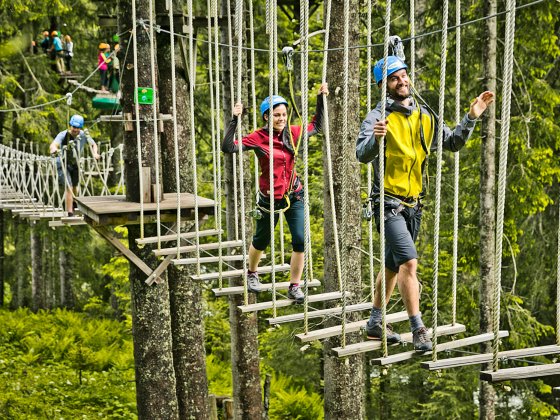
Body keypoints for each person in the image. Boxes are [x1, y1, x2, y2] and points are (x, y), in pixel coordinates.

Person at [356, 55, 494, 352]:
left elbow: (452, 142)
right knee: (409, 261)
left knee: (393, 266)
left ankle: (375, 322)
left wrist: (471, 117)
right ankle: (418, 328)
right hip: (387, 204)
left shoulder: (424, 116)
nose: (402, 81)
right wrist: (375, 140)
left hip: (413, 206)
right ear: (384, 86)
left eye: (404, 75)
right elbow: (361, 154)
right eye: (394, 78)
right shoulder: (377, 117)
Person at [222, 83, 329, 303]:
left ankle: (295, 285)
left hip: (294, 195)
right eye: (276, 115)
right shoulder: (257, 138)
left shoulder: (293, 133)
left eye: (283, 114)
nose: (281, 119)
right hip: (269, 198)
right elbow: (228, 147)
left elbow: (317, 126)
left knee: (300, 240)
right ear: (266, 117)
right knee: (261, 239)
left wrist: (320, 99)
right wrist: (234, 119)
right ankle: (252, 273)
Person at [50, 115, 100, 216]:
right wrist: (54, 150)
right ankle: (69, 212)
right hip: (62, 163)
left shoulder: (83, 135)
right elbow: (53, 145)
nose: (75, 130)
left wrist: (95, 153)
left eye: (77, 128)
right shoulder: (63, 134)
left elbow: (93, 144)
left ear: (80, 127)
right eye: (74, 127)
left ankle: (73, 201)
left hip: (75, 163)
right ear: (70, 126)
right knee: (69, 186)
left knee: (75, 186)